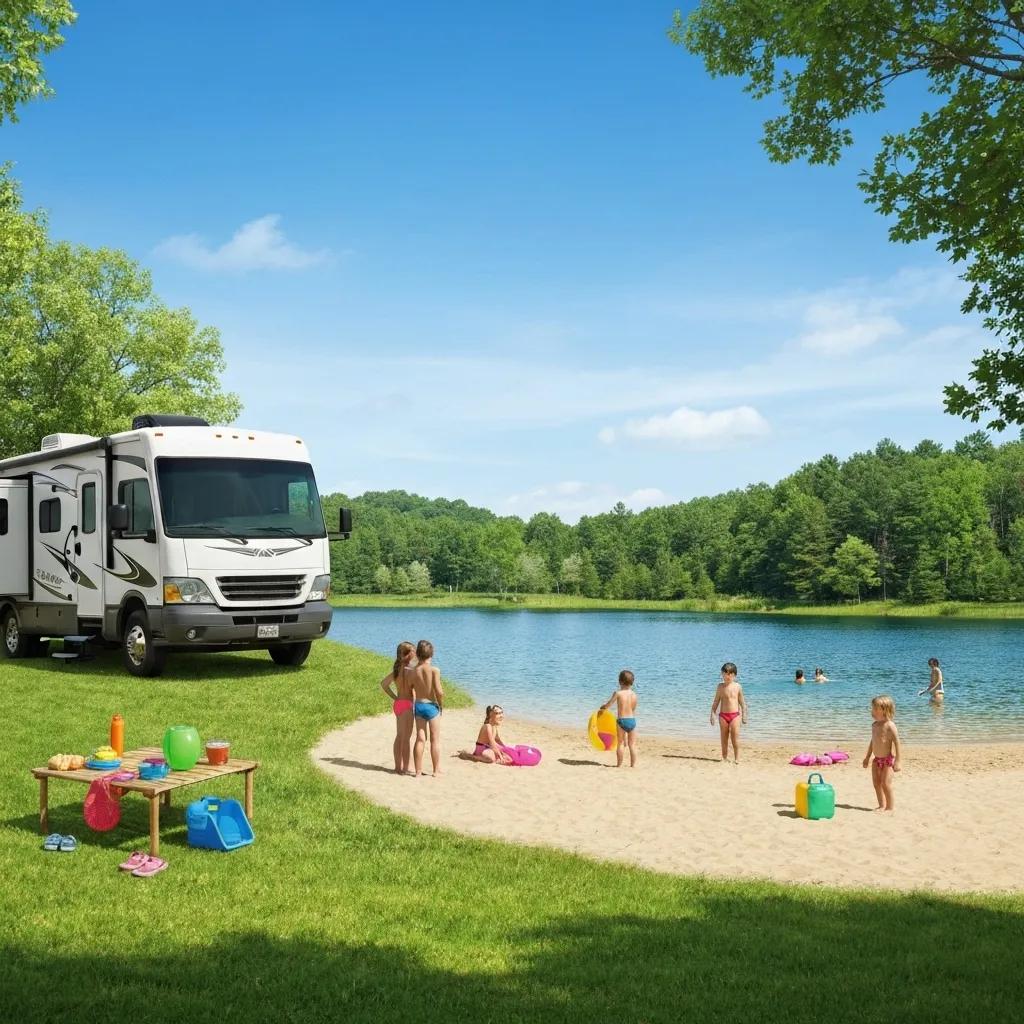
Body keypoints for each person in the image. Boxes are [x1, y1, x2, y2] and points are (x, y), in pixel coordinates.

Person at [379, 640, 416, 774]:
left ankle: (397, 767)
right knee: (406, 738)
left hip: (399, 704)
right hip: (407, 705)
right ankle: (405, 768)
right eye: (414, 652)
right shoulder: (411, 671)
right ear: (409, 655)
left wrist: (395, 697)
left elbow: (383, 684)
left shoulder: (396, 670)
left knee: (399, 736)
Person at [862, 695, 902, 811]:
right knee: (876, 783)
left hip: (887, 760)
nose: (872, 711)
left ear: (884, 710)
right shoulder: (874, 725)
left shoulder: (890, 725)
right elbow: (873, 741)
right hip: (876, 759)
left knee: (885, 783)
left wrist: (898, 761)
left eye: (875, 709)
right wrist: (867, 757)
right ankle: (881, 805)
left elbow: (897, 742)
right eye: (872, 708)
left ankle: (889, 808)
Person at [411, 639, 444, 776]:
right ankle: (436, 770)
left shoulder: (413, 671)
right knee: (435, 739)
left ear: (418, 654)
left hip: (418, 706)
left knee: (420, 739)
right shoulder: (434, 670)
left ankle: (418, 771)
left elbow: (411, 689)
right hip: (431, 706)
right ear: (432, 654)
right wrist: (440, 705)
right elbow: (439, 691)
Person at [710, 661, 748, 763]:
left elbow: (742, 703)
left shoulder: (738, 686)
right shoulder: (720, 687)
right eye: (725, 673)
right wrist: (712, 714)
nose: (727, 676)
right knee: (724, 737)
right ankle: (724, 757)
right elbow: (716, 701)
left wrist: (744, 715)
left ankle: (737, 758)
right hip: (723, 716)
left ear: (735, 675)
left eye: (730, 674)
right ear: (722, 674)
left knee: (735, 738)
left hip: (735, 716)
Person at [600, 669, 638, 767]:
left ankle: (619, 765)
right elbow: (633, 709)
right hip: (632, 721)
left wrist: (603, 707)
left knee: (620, 743)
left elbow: (609, 704)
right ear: (632, 682)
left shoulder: (618, 693)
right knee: (632, 745)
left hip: (622, 720)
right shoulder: (634, 695)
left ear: (620, 681)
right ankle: (633, 765)